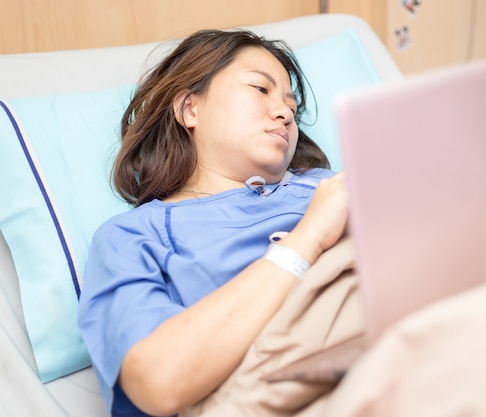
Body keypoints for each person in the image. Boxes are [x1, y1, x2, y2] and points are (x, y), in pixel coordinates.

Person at [77, 28, 349, 417]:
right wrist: (307, 239)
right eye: (260, 89)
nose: (285, 112)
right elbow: (157, 380)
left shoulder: (330, 184)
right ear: (190, 108)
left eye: (291, 105)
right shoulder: (133, 236)